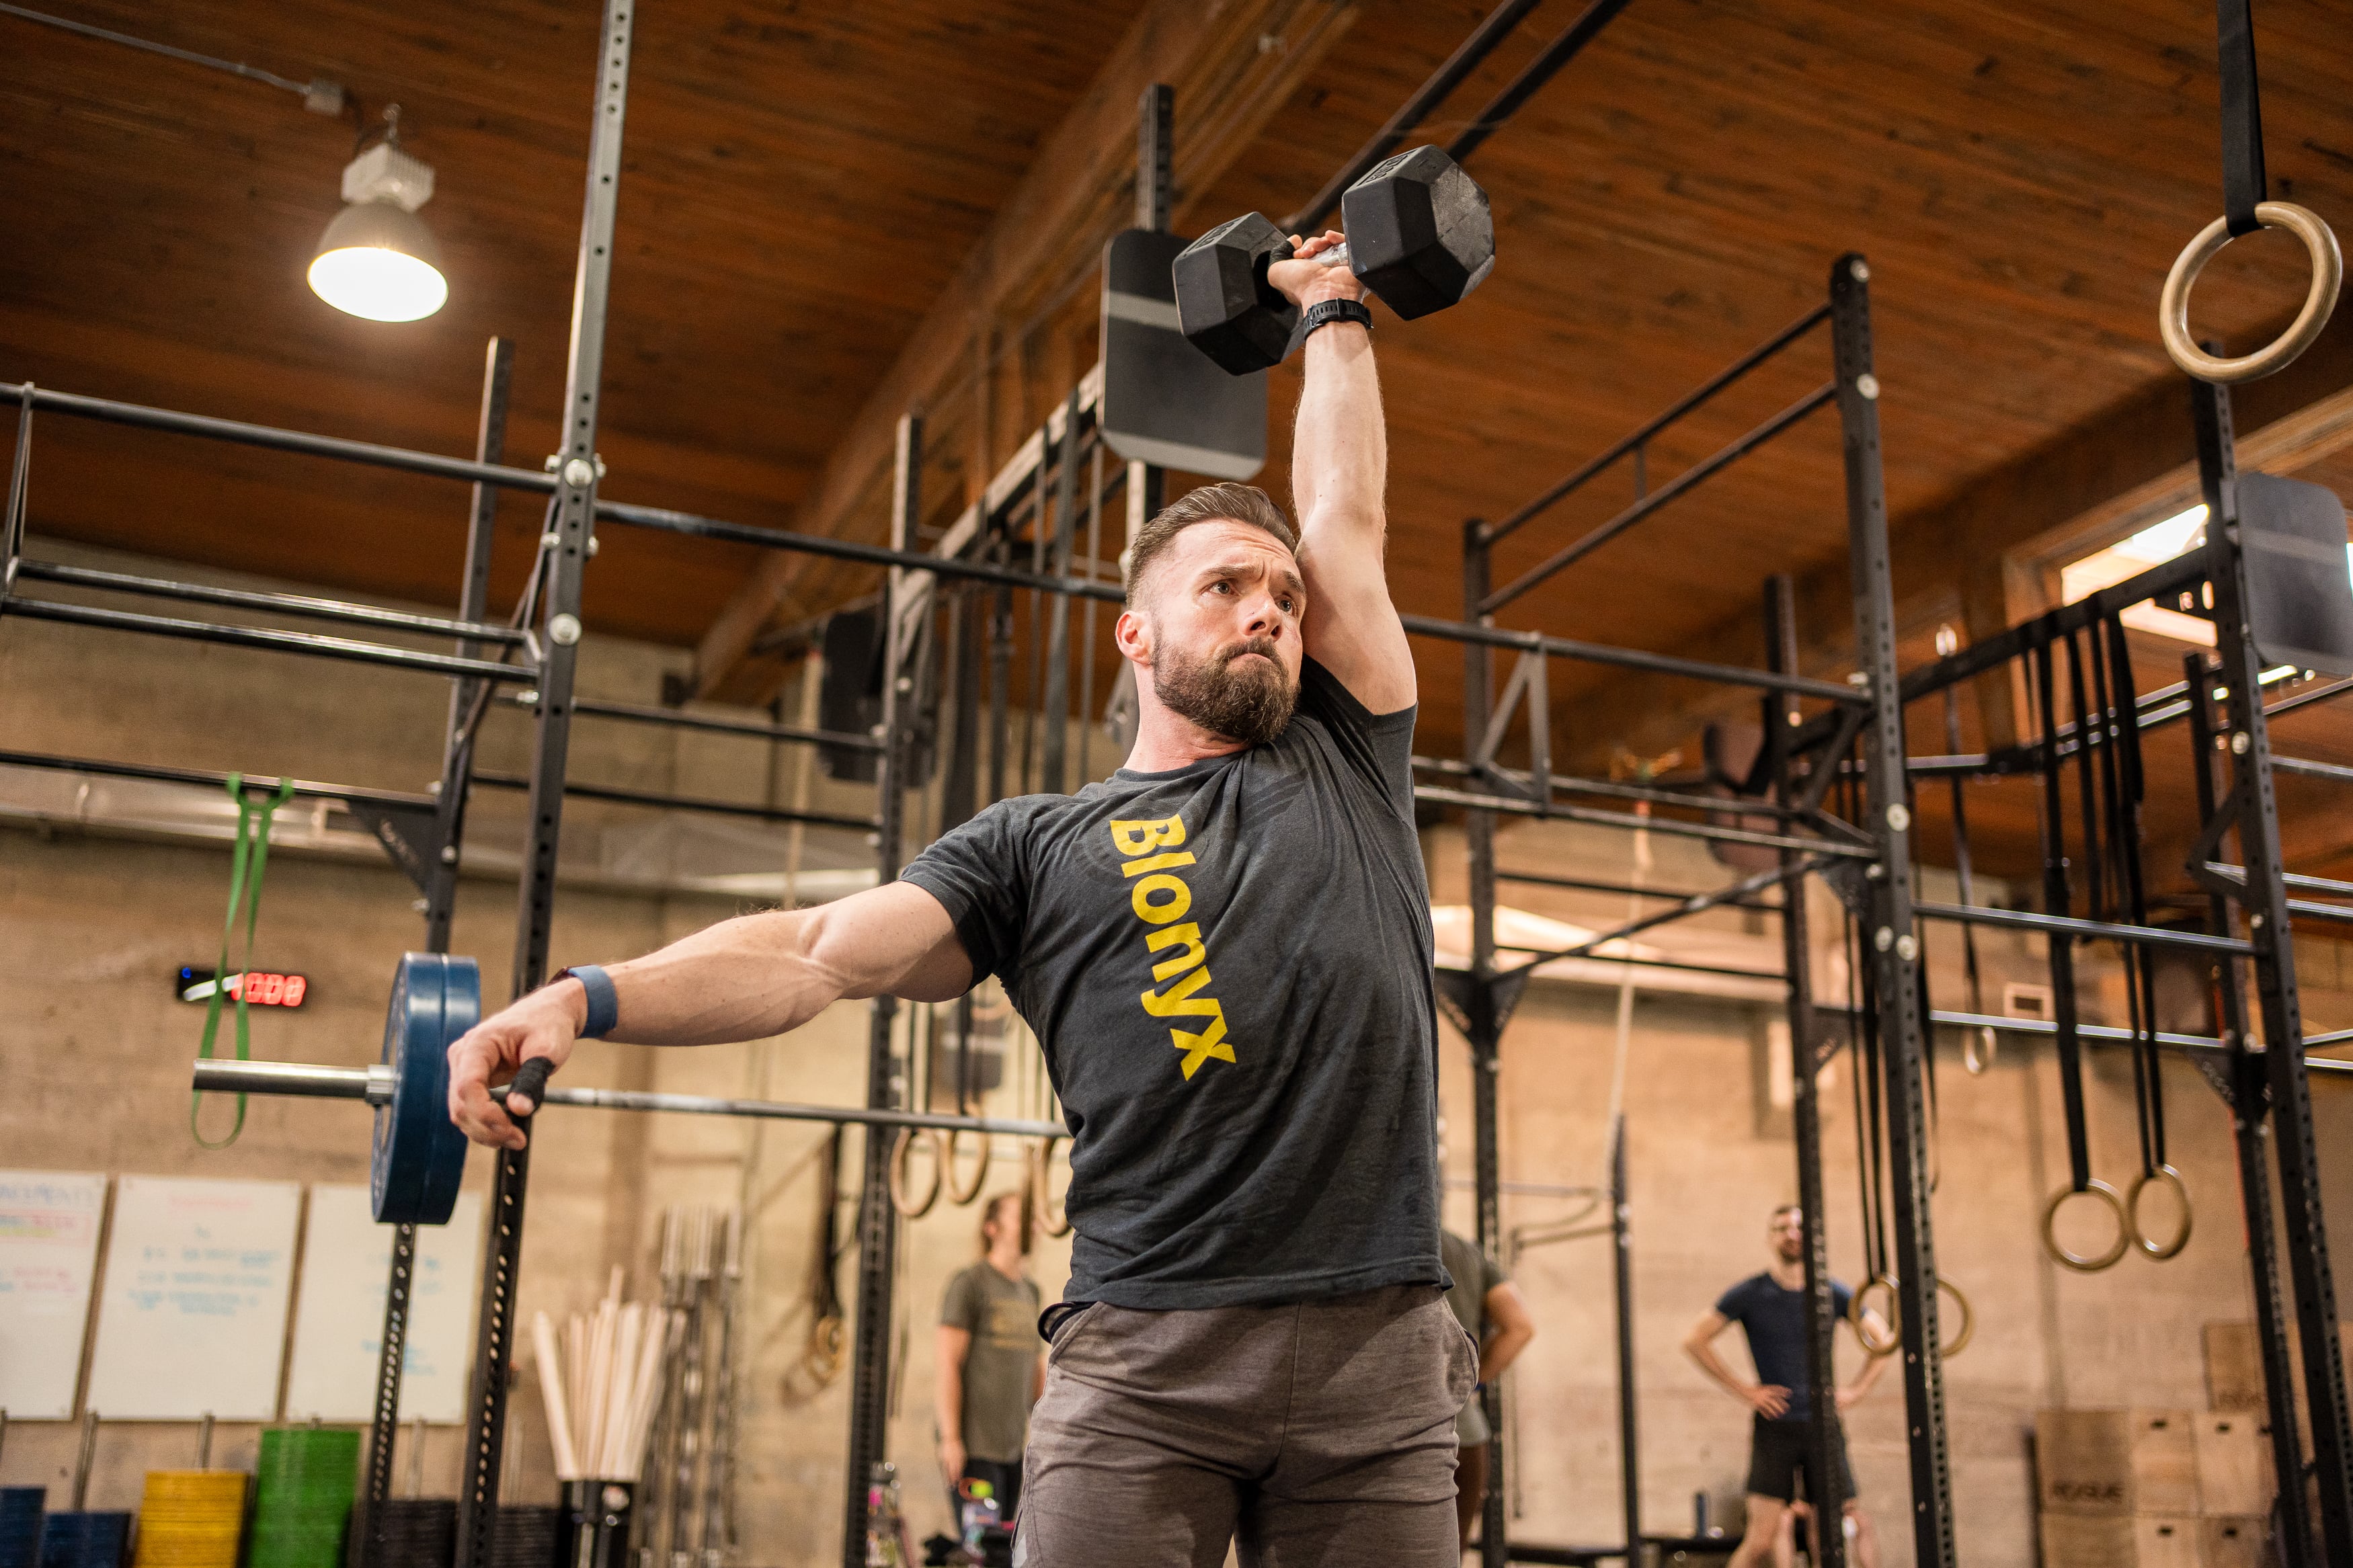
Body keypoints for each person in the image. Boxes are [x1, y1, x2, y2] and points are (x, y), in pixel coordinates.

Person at [444, 229, 1471, 1568]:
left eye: (1280, 594)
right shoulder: (1033, 844)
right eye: (1223, 586)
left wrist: (1332, 302)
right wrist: (578, 996)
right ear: (1137, 634)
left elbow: (1344, 520)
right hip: (1146, 1357)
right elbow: (812, 952)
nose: (1269, 609)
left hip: (1375, 1356)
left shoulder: (1344, 751)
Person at [1682, 1204, 1889, 1568]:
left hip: (1822, 1427)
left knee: (1828, 1536)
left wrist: (1856, 1391)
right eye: (1782, 1228)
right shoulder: (1750, 1293)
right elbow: (1695, 1341)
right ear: (1770, 1238)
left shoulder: (1831, 1292)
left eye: (1798, 1227)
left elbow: (1883, 1340)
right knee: (1761, 1538)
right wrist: (1745, 1390)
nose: (1791, 1234)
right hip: (1775, 1427)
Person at [936, 1192, 1046, 1520]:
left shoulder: (1031, 1291)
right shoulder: (970, 1284)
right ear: (992, 1228)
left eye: (1032, 1218)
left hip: (1013, 1449)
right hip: (975, 1449)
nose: (1032, 1225)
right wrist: (951, 1438)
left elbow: (1035, 1368)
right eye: (1019, 1216)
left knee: (1005, 1549)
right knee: (980, 1549)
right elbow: (947, 1364)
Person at [1437, 1228, 1535, 1551]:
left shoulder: (1384, 1241)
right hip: (1467, 1434)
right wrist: (1471, 1386)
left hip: (1406, 1438)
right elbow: (1519, 1326)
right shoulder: (1467, 1251)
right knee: (1451, 1554)